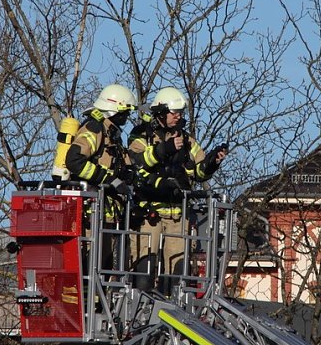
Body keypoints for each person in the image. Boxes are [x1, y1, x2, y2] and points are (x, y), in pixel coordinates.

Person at [127, 86, 227, 293]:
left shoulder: (186, 139)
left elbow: (199, 172)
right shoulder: (141, 135)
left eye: (181, 112)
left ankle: (171, 312)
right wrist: (166, 149)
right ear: (161, 112)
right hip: (148, 214)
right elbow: (137, 162)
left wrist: (212, 162)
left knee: (177, 270)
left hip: (177, 214)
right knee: (144, 267)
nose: (178, 116)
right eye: (174, 112)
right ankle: (140, 310)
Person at [66, 83, 137, 269]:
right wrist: (109, 180)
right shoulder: (94, 128)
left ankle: (98, 297)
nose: (127, 117)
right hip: (90, 213)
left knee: (103, 265)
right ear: (115, 110)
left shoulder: (111, 133)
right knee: (91, 266)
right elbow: (74, 161)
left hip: (106, 213)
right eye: (125, 112)